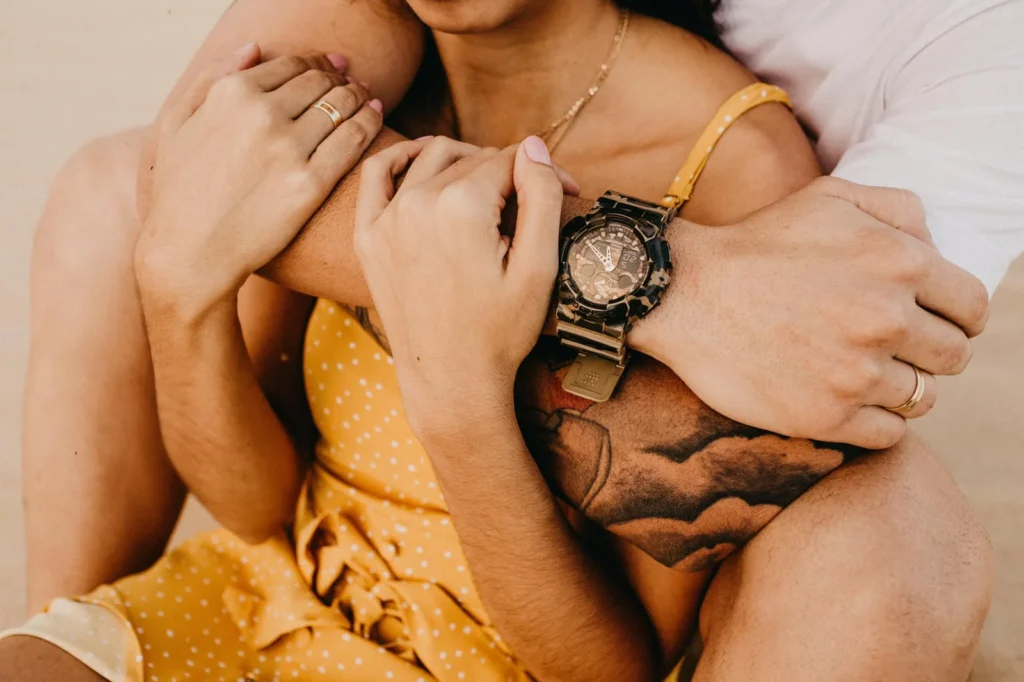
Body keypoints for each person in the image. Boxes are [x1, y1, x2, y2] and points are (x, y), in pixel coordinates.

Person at [3, 0, 1005, 679]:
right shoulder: (362, 94)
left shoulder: (735, 168)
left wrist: (463, 405)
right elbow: (259, 507)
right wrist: (178, 296)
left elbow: (616, 664)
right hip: (261, 603)